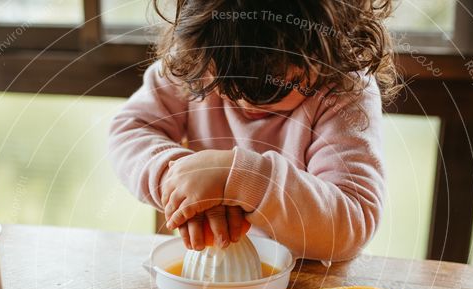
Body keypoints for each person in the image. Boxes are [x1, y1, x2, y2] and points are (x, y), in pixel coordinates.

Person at [109, 0, 397, 261]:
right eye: (225, 84)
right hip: (215, 268)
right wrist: (177, 177)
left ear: (326, 56)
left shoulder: (344, 91)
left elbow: (353, 220)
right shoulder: (202, 56)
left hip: (310, 287)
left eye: (275, 85)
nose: (245, 102)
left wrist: (242, 177)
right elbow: (130, 130)